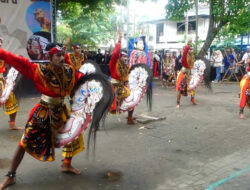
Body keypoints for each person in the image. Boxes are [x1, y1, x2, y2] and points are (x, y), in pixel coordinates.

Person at [0, 43, 86, 190]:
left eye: (62, 55)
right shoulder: (38, 70)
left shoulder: (69, 70)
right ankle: (10, 175)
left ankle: (67, 164)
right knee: (24, 142)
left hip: (61, 110)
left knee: (74, 135)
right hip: (43, 112)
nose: (61, 58)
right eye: (57, 55)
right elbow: (13, 58)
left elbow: (83, 79)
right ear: (49, 57)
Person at [109, 34, 136, 124]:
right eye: (124, 56)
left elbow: (126, 77)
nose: (125, 58)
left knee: (133, 98)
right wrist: (119, 41)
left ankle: (130, 118)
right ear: (119, 57)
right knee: (128, 93)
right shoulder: (114, 62)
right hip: (114, 86)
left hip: (122, 85)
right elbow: (115, 53)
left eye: (126, 56)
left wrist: (127, 82)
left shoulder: (126, 66)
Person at [0, 37, 22, 130]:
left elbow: (11, 61)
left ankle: (12, 124)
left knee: (12, 101)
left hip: (2, 81)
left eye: (0, 43)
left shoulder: (3, 54)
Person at [176, 41, 197, 108]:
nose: (191, 50)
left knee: (193, 88)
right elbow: (185, 51)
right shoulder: (184, 56)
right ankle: (178, 103)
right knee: (180, 89)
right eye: (190, 49)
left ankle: (192, 99)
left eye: (192, 49)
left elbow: (193, 65)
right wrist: (187, 44)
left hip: (190, 74)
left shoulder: (193, 56)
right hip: (183, 74)